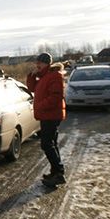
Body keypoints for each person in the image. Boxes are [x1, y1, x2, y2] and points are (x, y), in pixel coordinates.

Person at [26, 52, 66, 186]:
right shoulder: (43, 77)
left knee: (46, 144)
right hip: (47, 115)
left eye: (40, 63)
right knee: (52, 143)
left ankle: (58, 173)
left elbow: (55, 97)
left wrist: (41, 106)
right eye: (37, 62)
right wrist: (31, 75)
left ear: (47, 64)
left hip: (51, 115)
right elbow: (32, 88)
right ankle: (56, 172)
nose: (37, 65)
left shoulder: (55, 76)